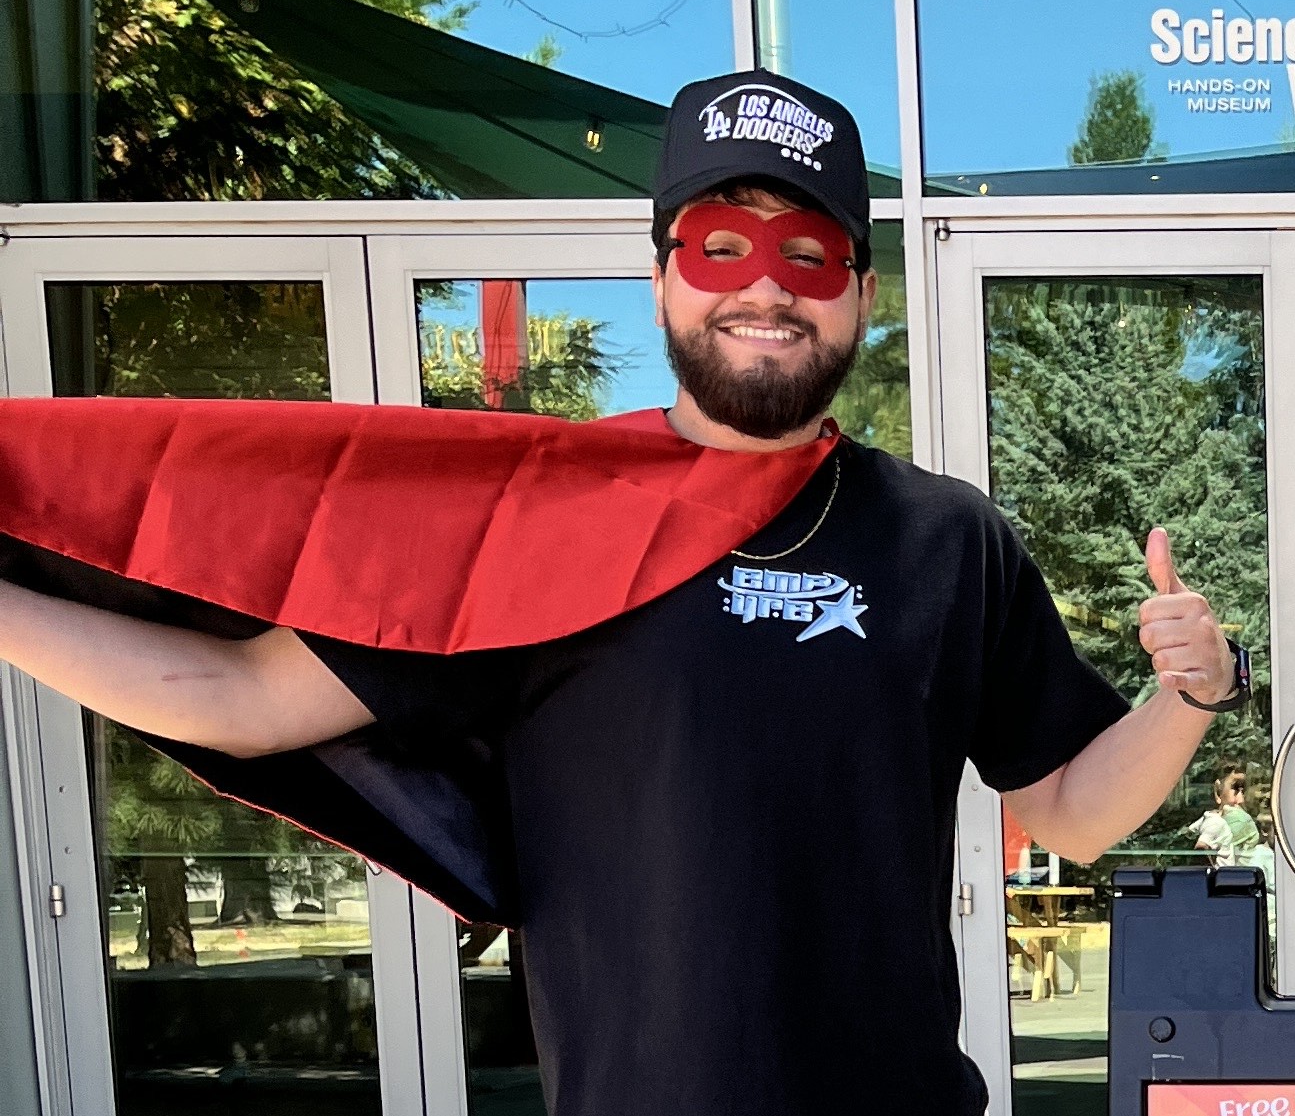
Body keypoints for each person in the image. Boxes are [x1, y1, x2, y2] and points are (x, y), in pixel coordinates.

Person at [0, 68, 1251, 1116]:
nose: (765, 286)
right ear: (661, 278)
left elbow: (1071, 811)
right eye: (722, 246)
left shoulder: (946, 539)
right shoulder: (536, 520)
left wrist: (1192, 693)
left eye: (808, 253)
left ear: (861, 296)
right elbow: (237, 693)